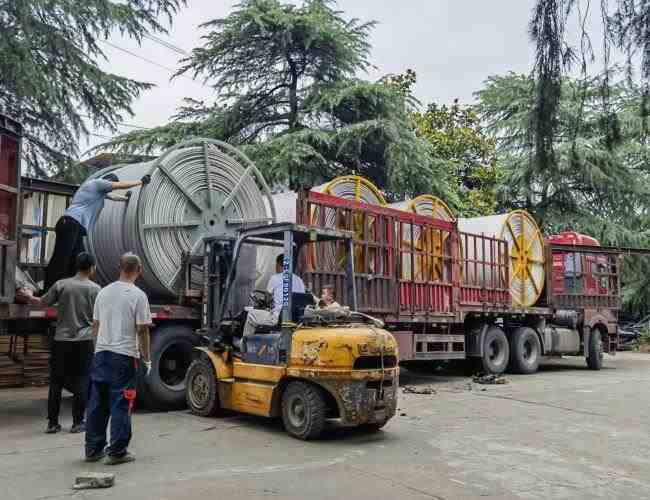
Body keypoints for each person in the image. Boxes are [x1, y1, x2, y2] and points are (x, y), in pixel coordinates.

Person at [85, 253, 152, 465]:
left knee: (98, 403)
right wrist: (147, 359)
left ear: (119, 267)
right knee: (121, 403)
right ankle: (117, 452)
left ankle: (93, 450)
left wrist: (98, 350)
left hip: (101, 355)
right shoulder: (138, 295)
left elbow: (95, 326)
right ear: (139, 270)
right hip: (124, 358)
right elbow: (142, 330)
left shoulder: (103, 292)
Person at [44, 172, 150, 291]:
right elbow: (120, 185)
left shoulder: (98, 192)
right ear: (107, 181)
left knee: (78, 261)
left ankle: (70, 289)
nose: (110, 188)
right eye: (110, 184)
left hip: (75, 226)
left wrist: (126, 199)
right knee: (61, 258)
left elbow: (112, 197)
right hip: (70, 223)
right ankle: (48, 289)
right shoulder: (97, 183)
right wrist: (140, 182)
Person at [32, 252, 100, 434]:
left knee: (56, 382)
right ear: (92, 267)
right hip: (84, 341)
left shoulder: (62, 285)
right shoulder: (95, 289)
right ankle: (78, 423)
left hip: (61, 340)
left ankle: (52, 423)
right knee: (81, 381)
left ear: (76, 266)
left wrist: (28, 296)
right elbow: (98, 319)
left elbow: (42, 302)